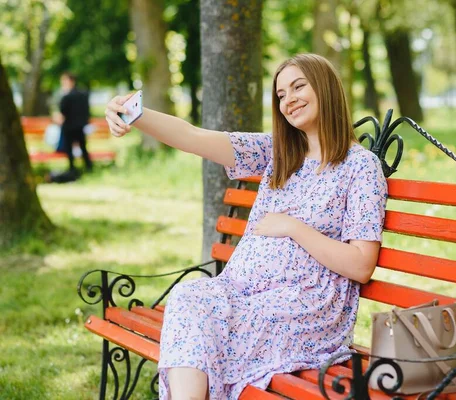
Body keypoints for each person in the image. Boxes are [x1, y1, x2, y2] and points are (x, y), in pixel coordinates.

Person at [104, 53, 387, 400]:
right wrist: (135, 114)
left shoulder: (359, 166)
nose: (289, 100)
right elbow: (192, 136)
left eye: (299, 87)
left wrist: (292, 227)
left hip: (305, 309)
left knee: (206, 323)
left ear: (326, 89)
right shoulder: (276, 152)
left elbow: (360, 265)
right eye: (281, 94)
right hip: (240, 292)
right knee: (189, 296)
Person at [58, 71, 93, 173]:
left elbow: (62, 111)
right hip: (80, 126)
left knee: (69, 149)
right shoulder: (83, 94)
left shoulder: (67, 96)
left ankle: (72, 168)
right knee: (83, 147)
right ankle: (88, 167)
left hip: (69, 126)